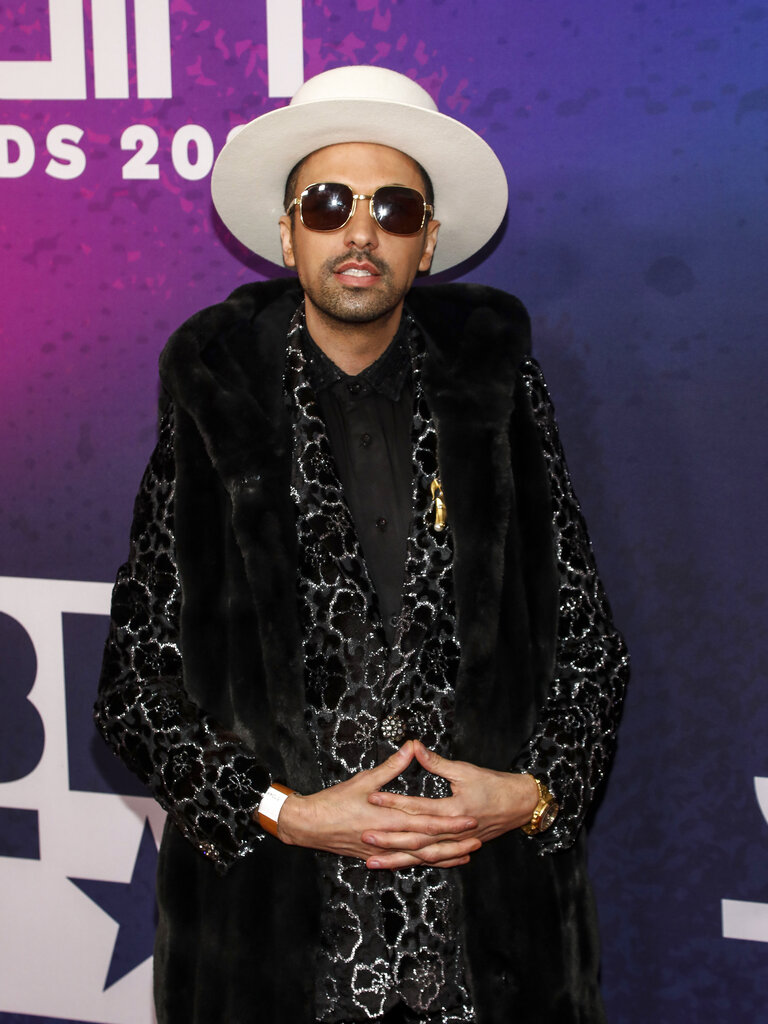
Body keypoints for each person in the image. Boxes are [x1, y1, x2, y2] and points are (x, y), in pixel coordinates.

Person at [95, 65, 629, 1024]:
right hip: (274, 945)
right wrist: (285, 814)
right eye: (330, 202)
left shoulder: (500, 401)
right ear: (288, 231)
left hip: (488, 951)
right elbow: (134, 689)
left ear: (426, 243)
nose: (359, 231)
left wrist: (531, 796)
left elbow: (591, 651)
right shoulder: (218, 409)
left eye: (393, 207)